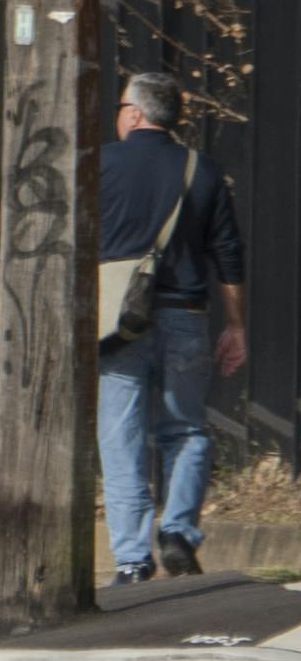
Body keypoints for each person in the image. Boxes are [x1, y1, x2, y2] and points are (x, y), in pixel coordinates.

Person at [103, 71, 248, 582]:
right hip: (186, 317)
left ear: (136, 114)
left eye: (121, 105)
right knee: (185, 429)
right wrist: (235, 325)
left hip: (118, 322)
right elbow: (227, 253)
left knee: (120, 439)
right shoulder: (201, 169)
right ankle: (179, 531)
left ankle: (131, 559)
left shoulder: (97, 166)